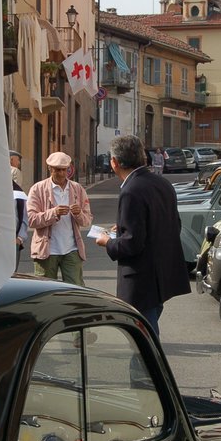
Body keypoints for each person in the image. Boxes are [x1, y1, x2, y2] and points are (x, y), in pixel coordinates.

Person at [94, 135, 190, 336]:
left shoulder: (131, 190)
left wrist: (108, 242)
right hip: (161, 275)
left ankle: (147, 369)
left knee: (142, 338)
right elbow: (171, 224)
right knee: (147, 330)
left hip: (142, 279)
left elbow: (132, 244)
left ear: (115, 163)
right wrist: (123, 227)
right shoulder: (162, 183)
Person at [20, 151, 92, 285]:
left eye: (64, 170)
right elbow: (31, 219)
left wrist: (78, 214)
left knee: (75, 289)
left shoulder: (77, 189)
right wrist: (53, 213)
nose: (62, 174)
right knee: (45, 291)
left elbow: (87, 220)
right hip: (47, 250)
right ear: (50, 169)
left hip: (72, 249)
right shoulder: (37, 189)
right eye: (57, 170)